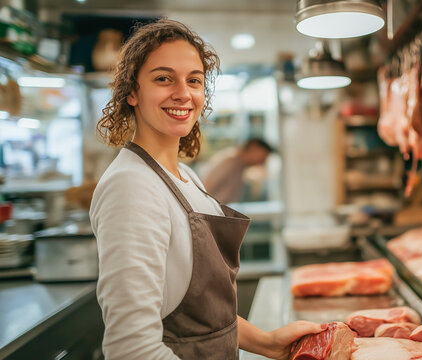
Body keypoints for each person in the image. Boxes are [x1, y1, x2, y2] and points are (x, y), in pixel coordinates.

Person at [89, 19, 321, 360]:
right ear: (132, 92)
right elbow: (131, 348)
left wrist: (268, 343)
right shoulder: (131, 185)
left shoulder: (184, 176)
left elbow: (203, 317)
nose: (183, 93)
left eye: (194, 80)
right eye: (164, 78)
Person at [200, 138, 273, 204]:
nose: (263, 161)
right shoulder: (230, 161)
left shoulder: (240, 165)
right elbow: (206, 187)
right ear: (254, 148)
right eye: (263, 156)